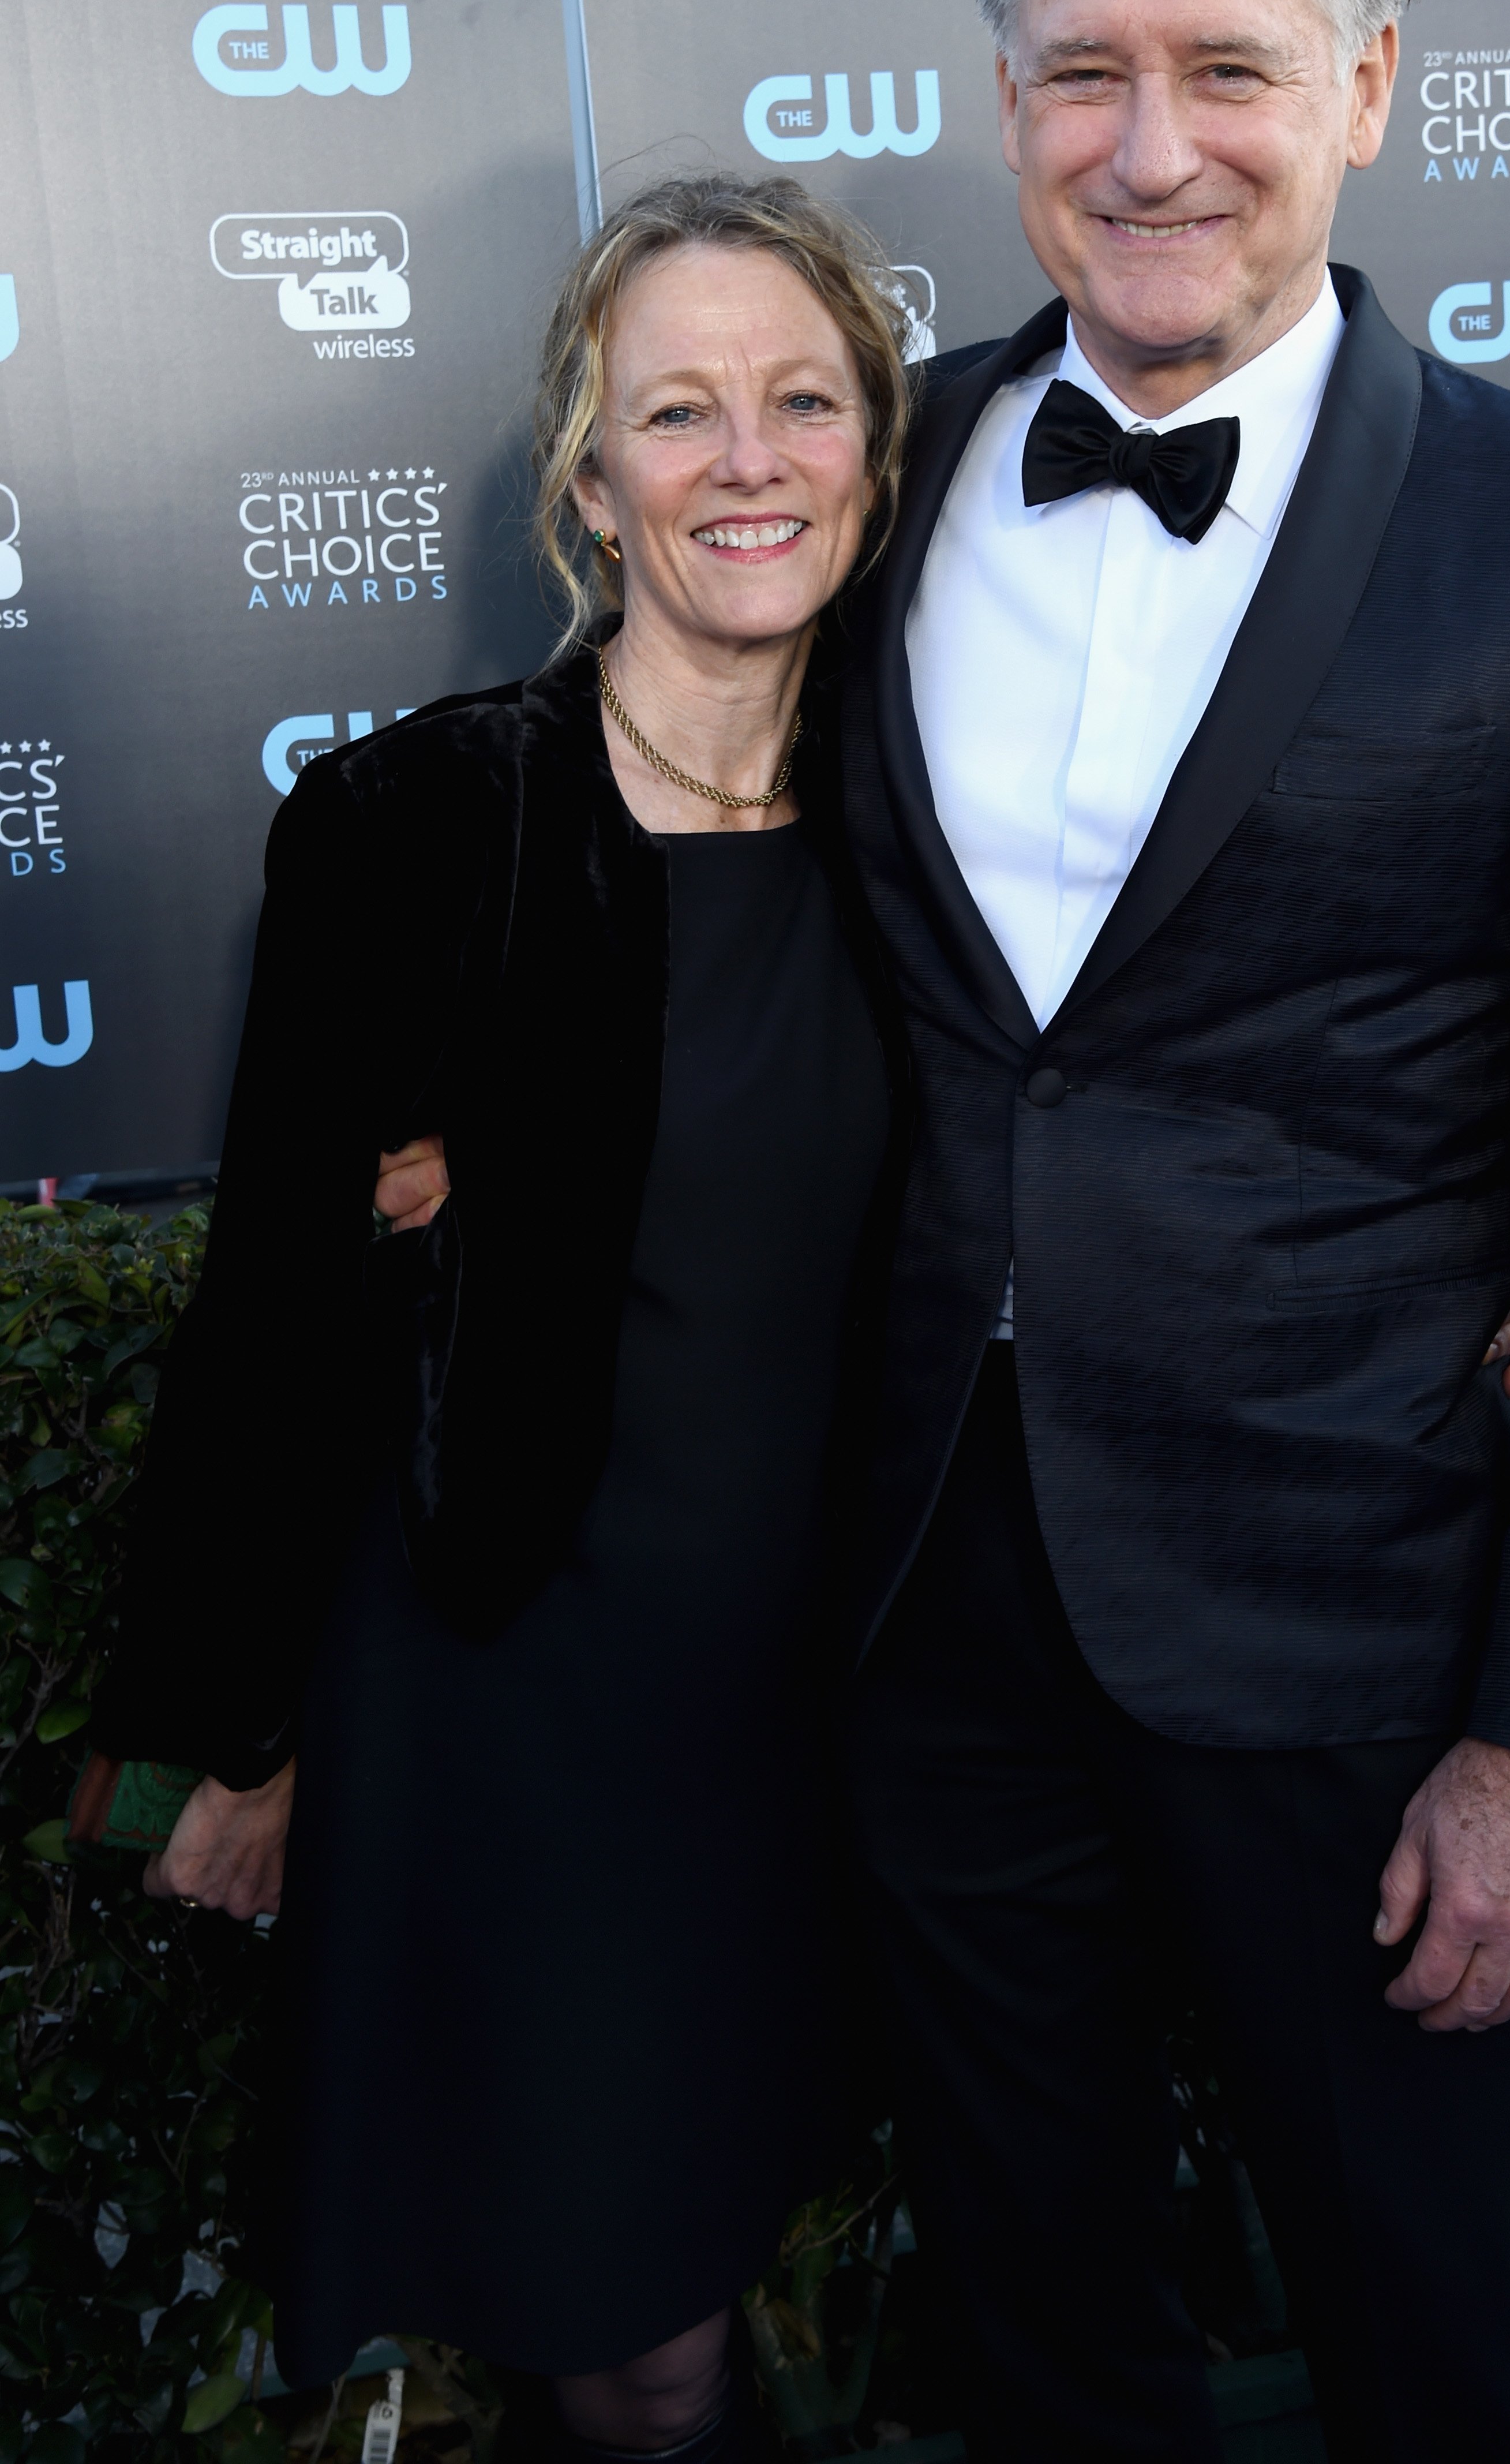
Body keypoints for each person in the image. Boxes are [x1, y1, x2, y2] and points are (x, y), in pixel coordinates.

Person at [377, 0, 1510, 2464]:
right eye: (1080, 73)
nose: (1150, 150)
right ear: (997, 99)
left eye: (1225, 69)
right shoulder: (871, 476)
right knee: (1035, 2342)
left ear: (1360, 88)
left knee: (1444, 2360)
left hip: (1353, 1663)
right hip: (916, 1626)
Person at [83, 171, 912, 2463]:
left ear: (873, 450)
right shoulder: (421, 818)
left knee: (729, 2254)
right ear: (590, 479)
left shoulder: (932, 831)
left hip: (813, 1694)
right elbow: (272, 1307)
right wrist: (218, 1733)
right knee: (622, 2326)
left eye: (800, 397)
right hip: (515, 1690)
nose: (746, 455)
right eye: (677, 410)